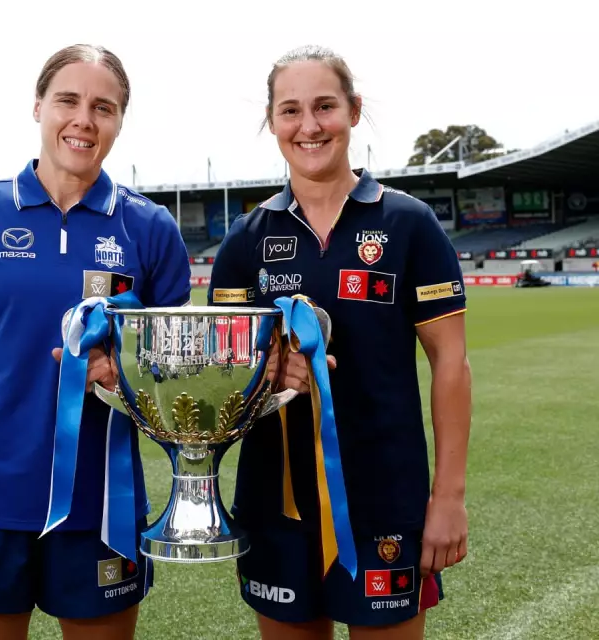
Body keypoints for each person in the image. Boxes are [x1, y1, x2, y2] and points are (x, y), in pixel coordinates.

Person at [0, 44, 192, 640]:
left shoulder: (150, 229)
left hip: (100, 508)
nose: (84, 119)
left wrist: (130, 373)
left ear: (118, 121)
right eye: (68, 100)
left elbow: (179, 376)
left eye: (103, 107)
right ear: (38, 106)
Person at [207, 45, 472, 640]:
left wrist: (448, 497)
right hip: (276, 500)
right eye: (290, 110)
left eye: (325, 106)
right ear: (272, 122)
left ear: (353, 111)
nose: (309, 126)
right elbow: (221, 380)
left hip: (387, 494)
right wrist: (265, 372)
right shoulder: (245, 242)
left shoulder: (408, 224)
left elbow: (450, 363)